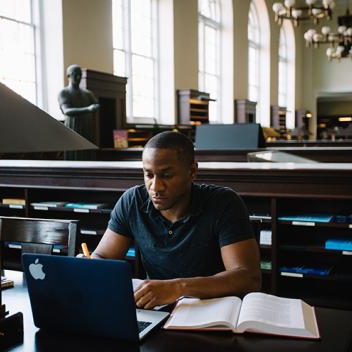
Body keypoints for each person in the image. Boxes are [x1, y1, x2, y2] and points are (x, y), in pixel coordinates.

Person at [92, 131, 261, 309]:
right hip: (156, 311)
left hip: (212, 312)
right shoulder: (132, 201)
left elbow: (248, 278)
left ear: (192, 171)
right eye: (149, 175)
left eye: (166, 175)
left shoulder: (224, 203)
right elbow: (103, 256)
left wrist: (177, 288)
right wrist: (89, 266)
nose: (155, 187)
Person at [58, 64, 100, 160]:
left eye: (80, 74)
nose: (78, 77)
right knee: (74, 154)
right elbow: (66, 110)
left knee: (87, 154)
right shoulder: (64, 92)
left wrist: (94, 107)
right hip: (73, 127)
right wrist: (88, 109)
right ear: (68, 76)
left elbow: (96, 105)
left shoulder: (87, 93)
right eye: (75, 74)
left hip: (86, 127)